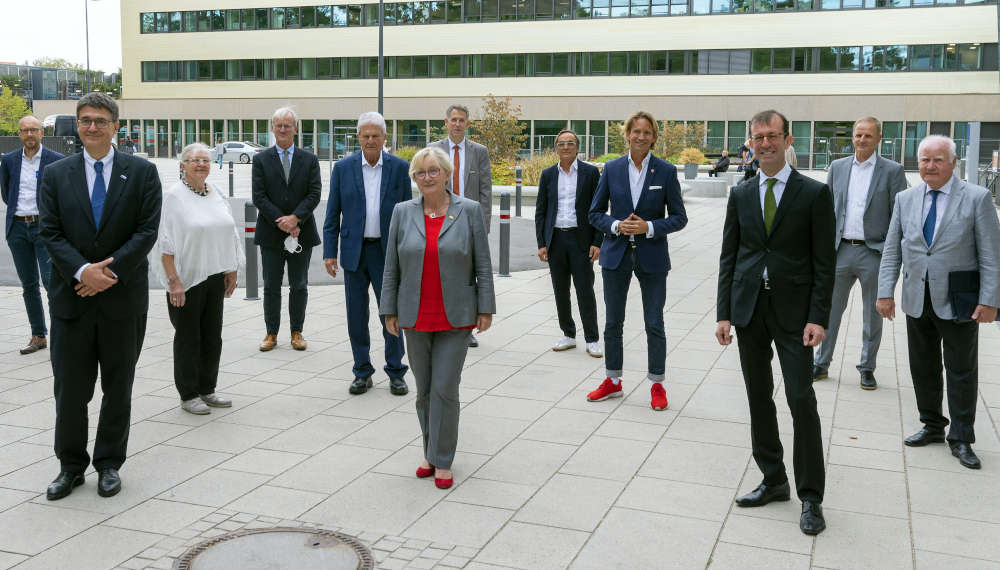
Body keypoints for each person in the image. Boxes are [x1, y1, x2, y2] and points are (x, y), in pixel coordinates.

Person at [715, 109, 835, 536]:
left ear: (788, 140)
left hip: (795, 315)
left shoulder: (813, 194)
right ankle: (773, 478)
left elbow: (826, 263)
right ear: (751, 142)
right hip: (749, 310)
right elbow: (730, 256)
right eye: (758, 137)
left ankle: (811, 496)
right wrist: (724, 312)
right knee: (758, 397)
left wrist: (819, 318)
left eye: (772, 136)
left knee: (801, 399)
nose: (764, 143)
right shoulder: (742, 193)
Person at [38, 92, 162, 500]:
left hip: (121, 299)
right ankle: (70, 466)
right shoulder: (56, 174)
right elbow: (50, 232)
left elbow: (146, 231)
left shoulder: (142, 173)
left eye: (101, 120)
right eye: (85, 119)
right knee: (70, 389)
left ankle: (109, 463)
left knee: (118, 386)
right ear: (77, 124)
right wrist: (82, 271)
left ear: (116, 126)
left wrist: (107, 272)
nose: (92, 127)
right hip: (72, 297)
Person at [877, 135, 1000, 470]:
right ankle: (932, 425)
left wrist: (990, 301)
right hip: (917, 298)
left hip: (960, 300)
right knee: (923, 366)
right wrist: (885, 292)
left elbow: (991, 257)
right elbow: (892, 250)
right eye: (924, 160)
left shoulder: (977, 198)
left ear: (953, 162)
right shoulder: (905, 199)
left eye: (938, 160)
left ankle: (961, 438)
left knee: (961, 370)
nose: (930, 166)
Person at [381, 146, 495, 489]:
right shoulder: (402, 212)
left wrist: (485, 306)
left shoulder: (469, 211)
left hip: (456, 315)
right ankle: (430, 452)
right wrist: (389, 309)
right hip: (414, 314)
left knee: (445, 388)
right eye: (420, 173)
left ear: (446, 174)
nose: (427, 178)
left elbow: (483, 264)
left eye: (433, 171)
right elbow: (391, 266)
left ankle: (443, 459)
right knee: (424, 391)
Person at [587, 111, 687, 411]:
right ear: (627, 134)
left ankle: (657, 383)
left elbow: (680, 217)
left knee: (654, 322)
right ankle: (613, 381)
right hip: (616, 255)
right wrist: (617, 225)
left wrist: (650, 227)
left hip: (652, 256)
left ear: (654, 137)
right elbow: (595, 213)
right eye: (636, 131)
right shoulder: (612, 169)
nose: (641, 137)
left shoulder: (666, 172)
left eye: (647, 132)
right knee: (612, 323)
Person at [813, 117, 908, 389]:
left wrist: (892, 253)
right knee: (829, 310)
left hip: (874, 252)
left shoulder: (892, 171)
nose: (861, 140)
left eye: (868, 136)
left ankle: (867, 367)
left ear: (879, 139)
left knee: (872, 315)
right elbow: (827, 210)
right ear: (852, 138)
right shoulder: (837, 168)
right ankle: (821, 363)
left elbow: (898, 217)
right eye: (858, 135)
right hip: (840, 250)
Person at [324, 112, 411, 396]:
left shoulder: (399, 168)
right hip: (354, 253)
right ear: (358, 137)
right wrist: (329, 251)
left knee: (391, 312)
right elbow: (332, 213)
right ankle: (362, 371)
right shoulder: (344, 168)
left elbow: (409, 213)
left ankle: (396, 371)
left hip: (388, 254)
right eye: (366, 135)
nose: (371, 140)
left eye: (376, 136)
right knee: (356, 315)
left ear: (385, 138)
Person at [153, 143, 243, 415]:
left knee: (212, 337)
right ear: (183, 165)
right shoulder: (174, 197)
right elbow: (164, 243)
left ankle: (208, 388)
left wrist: (232, 268)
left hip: (215, 275)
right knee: (188, 338)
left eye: (206, 160)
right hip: (186, 279)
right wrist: (174, 281)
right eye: (195, 160)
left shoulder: (215, 193)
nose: (201, 165)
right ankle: (189, 393)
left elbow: (230, 232)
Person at [252, 107, 321, 352]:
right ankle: (271, 333)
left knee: (299, 284)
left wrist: (296, 219)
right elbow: (259, 196)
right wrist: (282, 221)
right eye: (279, 125)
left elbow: (314, 194)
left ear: (296, 128)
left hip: (301, 233)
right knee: (271, 285)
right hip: (271, 233)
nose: (283, 129)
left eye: (287, 125)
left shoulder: (310, 159)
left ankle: (297, 331)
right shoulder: (260, 160)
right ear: (272, 128)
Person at [534, 129, 602, 356]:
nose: (565, 147)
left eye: (570, 143)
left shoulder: (591, 173)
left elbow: (599, 209)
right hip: (556, 240)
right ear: (556, 148)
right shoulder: (548, 175)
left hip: (580, 240)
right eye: (561, 143)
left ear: (577, 147)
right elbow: (541, 212)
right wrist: (542, 243)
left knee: (585, 290)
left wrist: (597, 241)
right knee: (560, 290)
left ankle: (592, 338)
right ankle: (568, 334)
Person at [0, 115, 64, 355]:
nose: (29, 135)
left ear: (42, 133)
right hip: (17, 228)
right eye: (25, 131)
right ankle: (38, 335)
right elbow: (7, 193)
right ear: (19, 134)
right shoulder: (8, 161)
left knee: (51, 283)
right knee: (28, 285)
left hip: (43, 229)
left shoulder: (55, 161)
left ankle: (61, 335)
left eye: (33, 130)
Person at [431, 104, 492, 348]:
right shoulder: (433, 149)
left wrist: (483, 226)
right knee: (439, 271)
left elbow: (486, 192)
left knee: (467, 276)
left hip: (468, 222)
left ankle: (467, 327)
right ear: (446, 122)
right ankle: (439, 321)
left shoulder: (480, 152)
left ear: (468, 124)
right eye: (453, 119)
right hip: (439, 220)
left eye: (461, 120)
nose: (457, 123)